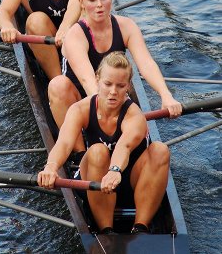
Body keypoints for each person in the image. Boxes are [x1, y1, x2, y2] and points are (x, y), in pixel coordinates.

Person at [38, 51, 170, 234]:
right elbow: (64, 143)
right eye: (108, 84)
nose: (113, 92)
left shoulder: (134, 115)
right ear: (97, 79)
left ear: (128, 87)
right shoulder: (80, 109)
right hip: (94, 181)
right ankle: (106, 231)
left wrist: (114, 170)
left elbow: (125, 145)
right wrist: (51, 167)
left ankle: (140, 227)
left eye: (120, 86)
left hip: (128, 180)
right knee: (98, 151)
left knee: (160, 150)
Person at [48, 0, 182, 152]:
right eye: (92, 0)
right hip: (81, 95)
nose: (99, 5)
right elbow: (88, 80)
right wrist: (108, 114)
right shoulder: (75, 35)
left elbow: (146, 64)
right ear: (81, 2)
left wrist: (165, 95)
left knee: (123, 85)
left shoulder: (126, 26)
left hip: (112, 90)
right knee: (57, 85)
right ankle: (79, 154)